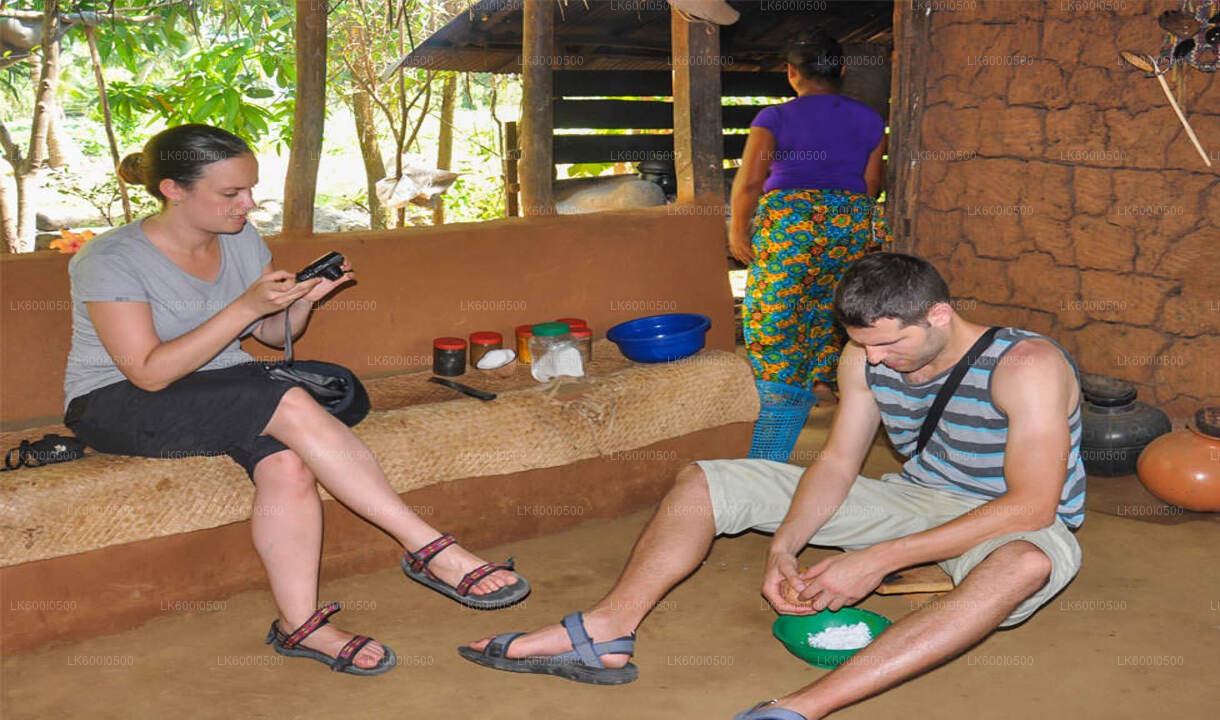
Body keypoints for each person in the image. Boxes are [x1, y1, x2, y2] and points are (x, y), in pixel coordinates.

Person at [462, 254, 1085, 719]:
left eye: (890, 344)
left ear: (940, 316)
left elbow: (1030, 503)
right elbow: (839, 462)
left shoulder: (1027, 366)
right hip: (917, 496)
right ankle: (607, 629)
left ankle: (799, 709)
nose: (875, 361)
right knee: (705, 479)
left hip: (1013, 515)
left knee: (1020, 566)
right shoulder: (864, 358)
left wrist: (877, 559)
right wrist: (784, 546)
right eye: (863, 346)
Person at [62, 124, 529, 676]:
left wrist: (304, 300)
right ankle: (431, 549)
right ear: (173, 189)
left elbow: (270, 332)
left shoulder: (240, 238)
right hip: (118, 403)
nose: (249, 204)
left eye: (251, 189)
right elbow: (147, 373)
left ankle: (301, 627)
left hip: (221, 389)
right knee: (286, 400)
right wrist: (242, 307)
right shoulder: (110, 258)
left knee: (287, 465)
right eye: (231, 193)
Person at [730, 31, 889, 399]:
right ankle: (822, 382)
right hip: (849, 222)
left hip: (791, 224)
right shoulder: (869, 119)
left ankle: (781, 393)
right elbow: (871, 183)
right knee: (831, 302)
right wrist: (840, 219)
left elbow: (752, 181)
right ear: (842, 70)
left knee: (773, 309)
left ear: (791, 72)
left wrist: (738, 230)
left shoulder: (775, 117)